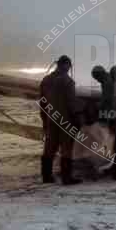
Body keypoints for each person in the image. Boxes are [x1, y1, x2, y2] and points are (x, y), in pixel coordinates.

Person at [39, 55, 82, 185]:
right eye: (68, 66)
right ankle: (66, 178)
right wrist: (78, 119)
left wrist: (44, 120)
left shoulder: (45, 80)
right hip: (66, 121)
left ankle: (46, 176)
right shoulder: (68, 82)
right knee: (66, 149)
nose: (69, 68)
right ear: (66, 65)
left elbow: (42, 103)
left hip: (51, 119)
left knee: (49, 148)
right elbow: (72, 103)